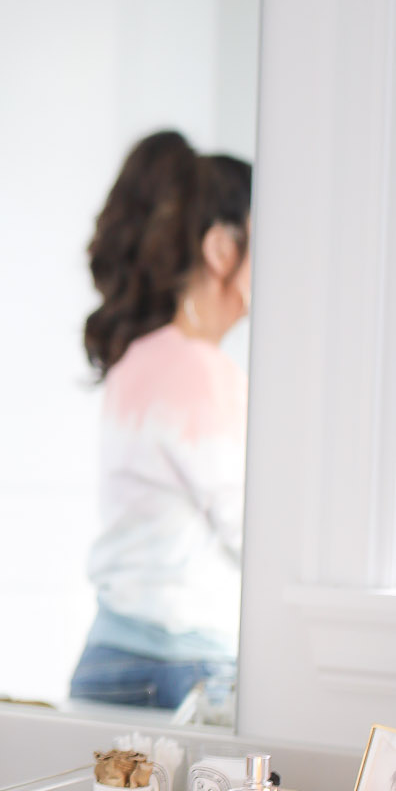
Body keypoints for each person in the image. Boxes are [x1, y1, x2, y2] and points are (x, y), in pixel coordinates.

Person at [70, 131, 252, 711]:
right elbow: (257, 534)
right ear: (222, 249)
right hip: (184, 669)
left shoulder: (135, 358)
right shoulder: (204, 370)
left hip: (105, 657)